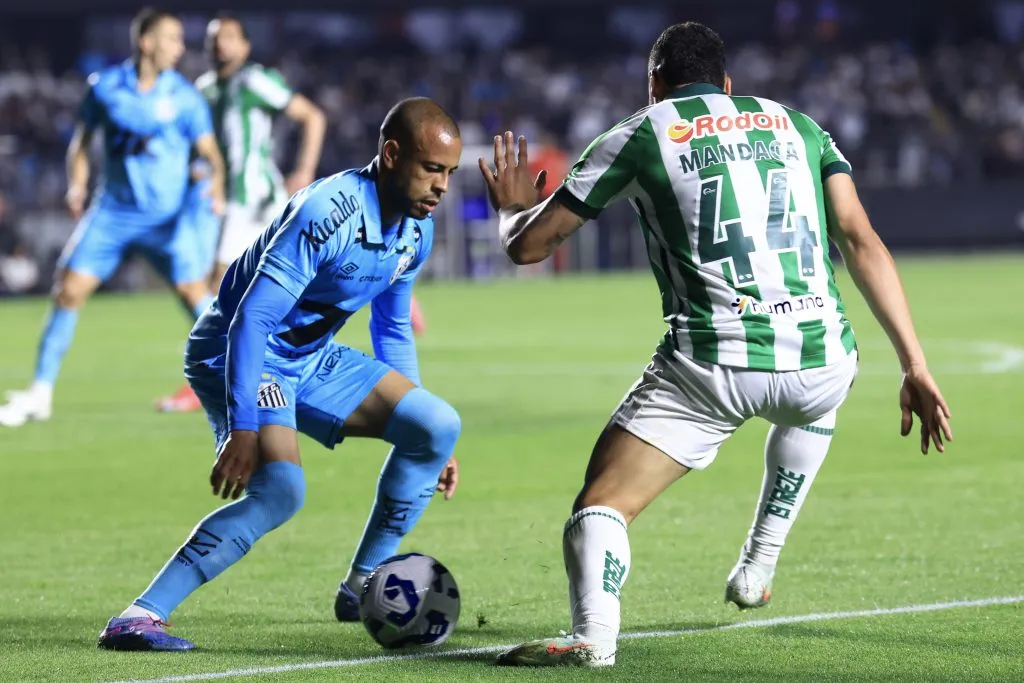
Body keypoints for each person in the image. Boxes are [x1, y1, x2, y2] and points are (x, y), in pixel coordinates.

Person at [483, 22, 953, 667]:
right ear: (728, 84)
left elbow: (528, 248)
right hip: (824, 361)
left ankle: (595, 634)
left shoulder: (642, 132)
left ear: (655, 86)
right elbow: (862, 240)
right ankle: (758, 564)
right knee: (814, 397)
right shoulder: (798, 125)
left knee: (601, 505)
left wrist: (510, 210)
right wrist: (915, 364)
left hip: (712, 364)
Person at [97, 97, 462, 651]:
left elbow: (393, 330)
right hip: (239, 350)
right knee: (280, 491)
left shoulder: (415, 230)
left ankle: (363, 585)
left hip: (307, 356)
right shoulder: (328, 212)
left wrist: (419, 426)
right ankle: (138, 616)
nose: (441, 186)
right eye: (432, 169)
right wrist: (243, 426)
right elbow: (253, 318)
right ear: (391, 155)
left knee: (435, 425)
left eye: (449, 173)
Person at [0, 7, 226, 427]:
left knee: (196, 299)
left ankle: (246, 378)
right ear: (146, 42)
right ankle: (40, 394)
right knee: (68, 290)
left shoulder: (185, 97)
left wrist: (215, 188)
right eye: (172, 38)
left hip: (167, 220)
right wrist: (76, 184)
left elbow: (211, 155)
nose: (180, 48)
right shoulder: (105, 89)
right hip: (113, 213)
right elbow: (81, 144)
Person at [157, 12, 327, 413]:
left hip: (251, 200)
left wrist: (304, 169)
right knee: (268, 284)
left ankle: (211, 374)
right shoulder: (204, 89)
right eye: (215, 37)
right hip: (222, 200)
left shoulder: (254, 80)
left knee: (217, 285)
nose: (221, 44)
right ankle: (245, 368)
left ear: (246, 46)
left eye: (231, 37)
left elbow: (312, 116)